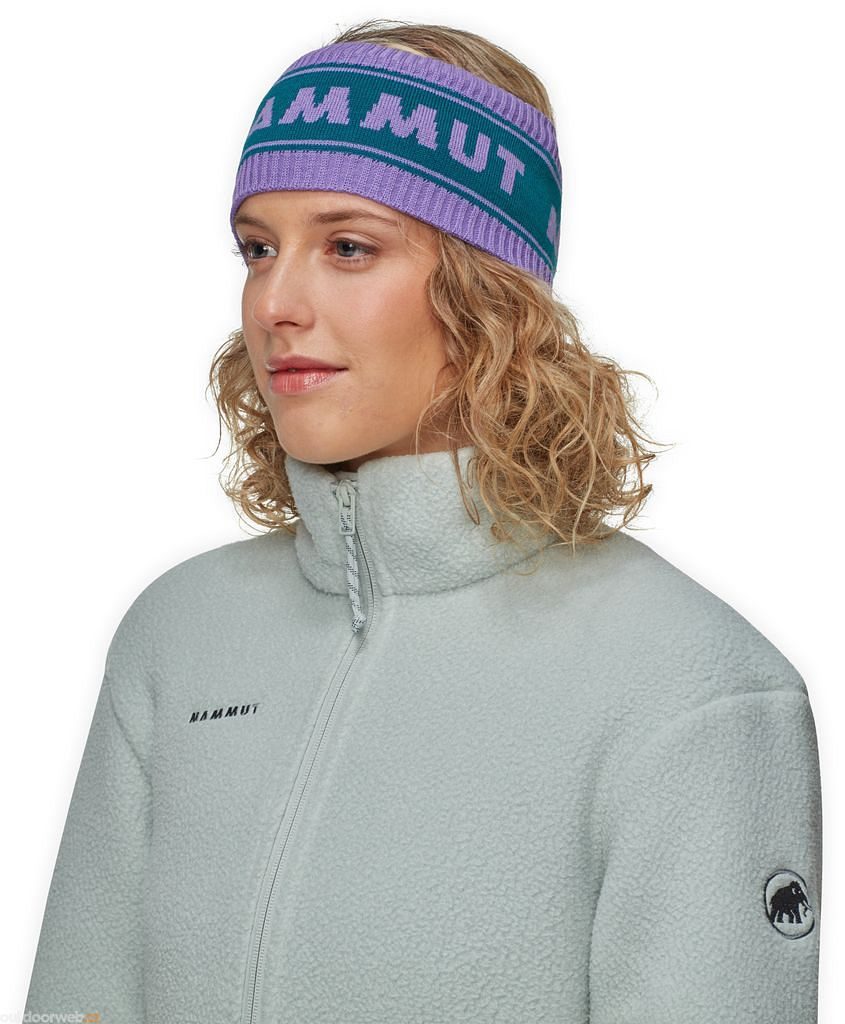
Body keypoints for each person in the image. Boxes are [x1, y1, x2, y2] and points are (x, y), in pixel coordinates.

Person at [23, 17, 822, 1024]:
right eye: (259, 248)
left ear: (491, 295)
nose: (274, 302)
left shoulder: (690, 689)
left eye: (348, 247)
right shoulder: (177, 635)